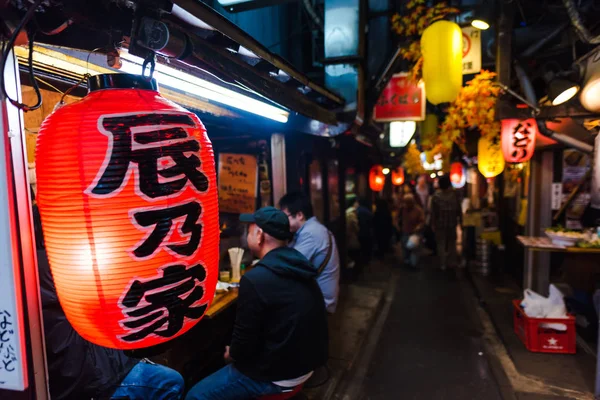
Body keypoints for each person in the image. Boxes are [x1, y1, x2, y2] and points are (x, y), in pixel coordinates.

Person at [35, 213, 184, 399]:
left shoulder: (44, 259)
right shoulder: (57, 264)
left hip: (93, 362)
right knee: (170, 382)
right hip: (87, 376)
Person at [186, 207, 328, 400]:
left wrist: (231, 354)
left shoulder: (256, 279)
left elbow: (242, 346)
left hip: (278, 377)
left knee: (195, 395)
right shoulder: (300, 265)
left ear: (260, 235)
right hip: (306, 365)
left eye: (249, 231)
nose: (247, 236)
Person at [279, 192, 340, 313]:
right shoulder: (309, 229)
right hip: (319, 296)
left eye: (285, 217)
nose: (283, 222)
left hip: (321, 301)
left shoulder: (311, 233)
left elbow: (288, 265)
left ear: (300, 215)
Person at [430, 175, 462, 270]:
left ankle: (443, 263)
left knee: (441, 244)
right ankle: (452, 262)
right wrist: (461, 221)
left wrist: (433, 224)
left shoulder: (436, 196)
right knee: (452, 243)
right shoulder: (454, 195)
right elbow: (459, 210)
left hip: (440, 224)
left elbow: (433, 212)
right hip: (452, 223)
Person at [401, 194, 425, 268]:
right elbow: (397, 218)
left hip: (415, 233)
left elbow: (422, 221)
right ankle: (406, 260)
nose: (406, 204)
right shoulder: (403, 209)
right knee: (405, 247)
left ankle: (412, 262)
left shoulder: (418, 210)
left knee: (414, 249)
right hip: (405, 231)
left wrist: (418, 227)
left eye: (408, 202)